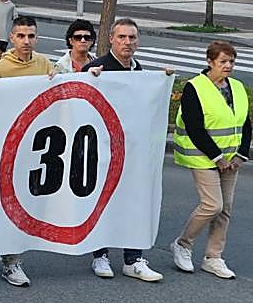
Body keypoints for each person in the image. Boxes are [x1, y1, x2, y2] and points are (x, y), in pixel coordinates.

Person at [83, 18, 171, 281]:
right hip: (103, 151)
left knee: (135, 201)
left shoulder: (138, 71)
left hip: (133, 151)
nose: (127, 43)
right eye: (121, 37)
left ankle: (133, 259)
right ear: (111, 39)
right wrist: (90, 78)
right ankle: (100, 255)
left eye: (132, 38)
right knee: (104, 202)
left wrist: (162, 81)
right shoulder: (96, 68)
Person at [0, 15, 57, 287]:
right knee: (4, 202)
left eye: (31, 36)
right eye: (21, 36)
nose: (26, 41)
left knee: (28, 201)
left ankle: (13, 256)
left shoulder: (45, 64)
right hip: (6, 147)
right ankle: (7, 257)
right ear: (12, 38)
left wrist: (56, 78)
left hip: (36, 147)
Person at [169, 40, 248, 279]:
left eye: (231, 61)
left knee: (226, 208)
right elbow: (195, 127)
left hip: (231, 158)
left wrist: (240, 154)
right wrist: (217, 157)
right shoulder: (196, 87)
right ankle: (183, 244)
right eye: (223, 61)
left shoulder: (236, 87)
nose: (228, 66)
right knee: (213, 205)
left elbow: (246, 122)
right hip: (203, 156)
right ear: (210, 62)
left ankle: (213, 257)